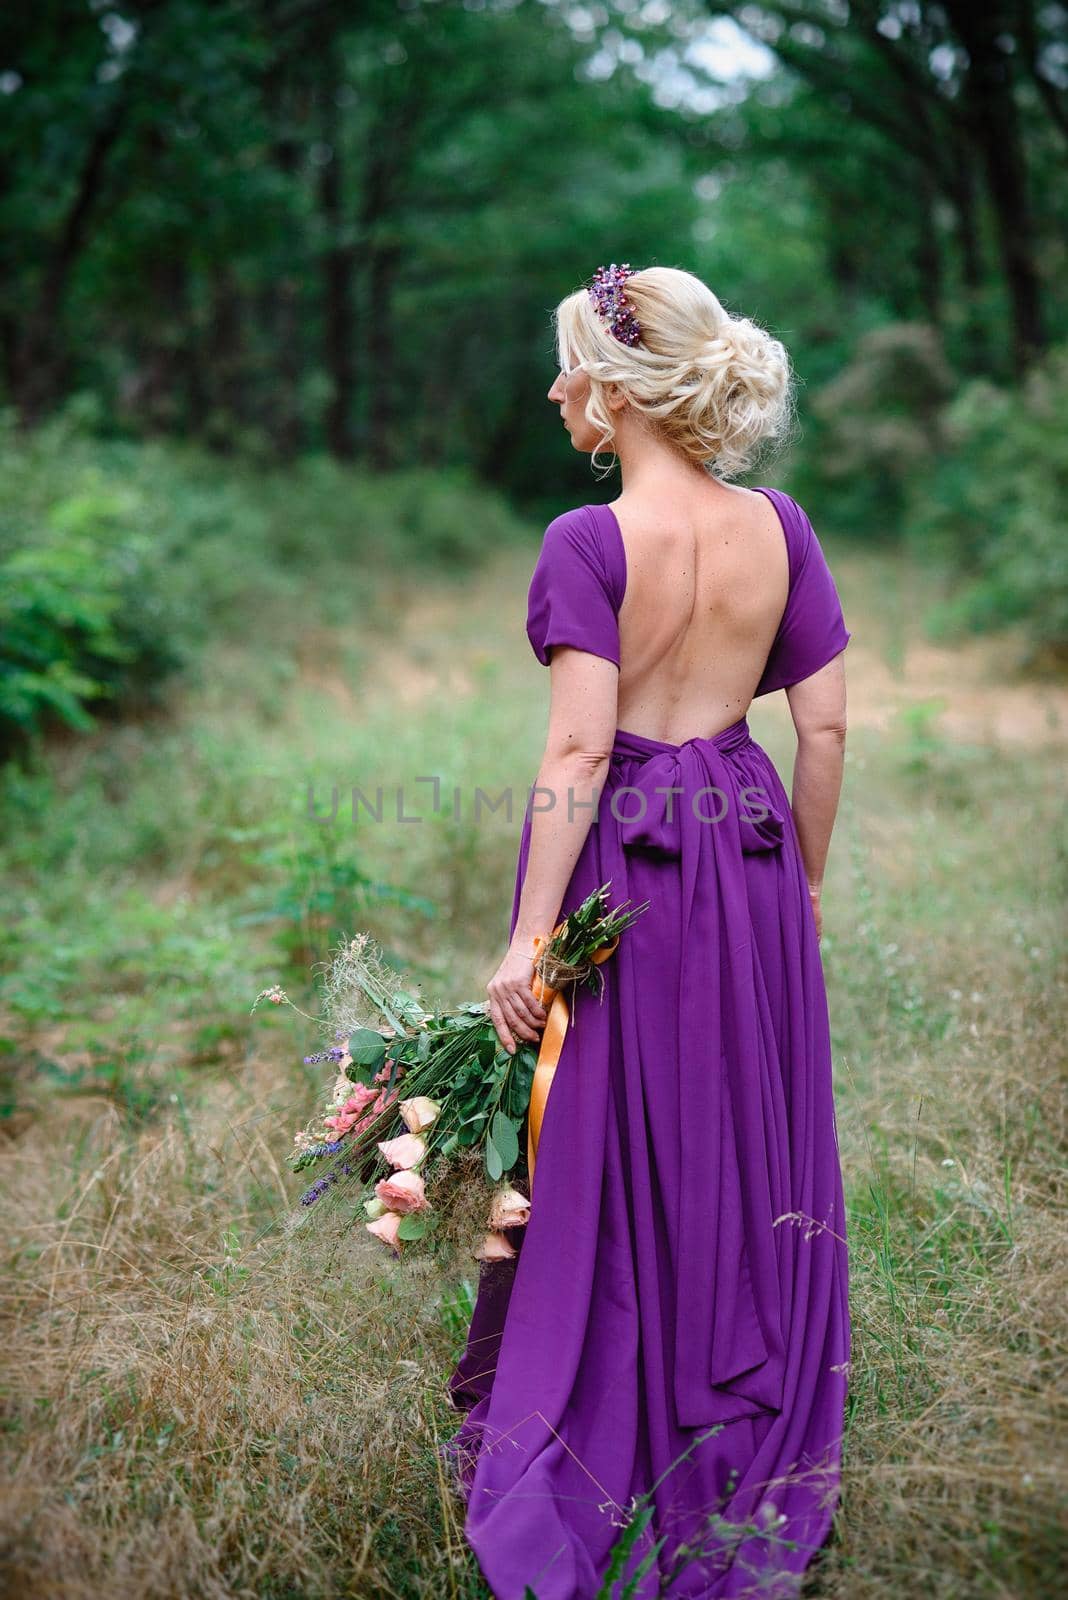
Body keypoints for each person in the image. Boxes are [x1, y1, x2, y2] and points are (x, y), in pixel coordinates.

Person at [442, 264, 851, 1599]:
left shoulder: (587, 542)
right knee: (736, 1123)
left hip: (626, 850)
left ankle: (606, 1410)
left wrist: (525, 937)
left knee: (604, 1132)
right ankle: (730, 1396)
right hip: (744, 844)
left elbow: (577, 742)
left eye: (570, 367)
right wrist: (798, 889)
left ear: (619, 389)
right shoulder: (780, 526)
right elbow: (827, 725)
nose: (560, 392)